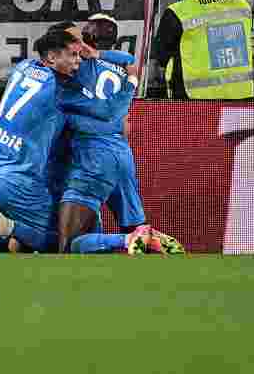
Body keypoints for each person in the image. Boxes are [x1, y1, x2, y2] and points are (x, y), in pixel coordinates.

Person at [0, 25, 166, 255]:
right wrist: (132, 82)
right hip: (21, 180)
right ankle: (7, 228)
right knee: (58, 240)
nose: (79, 60)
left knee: (6, 214)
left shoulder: (24, 67)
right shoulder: (62, 91)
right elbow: (110, 111)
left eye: (80, 53)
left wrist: (94, 55)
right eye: (73, 54)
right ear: (52, 56)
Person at [55, 16, 186, 255]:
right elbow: (126, 119)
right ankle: (151, 247)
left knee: (69, 244)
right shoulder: (124, 66)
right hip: (121, 153)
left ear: (85, 38)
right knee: (135, 226)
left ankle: (123, 243)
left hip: (93, 155)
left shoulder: (79, 64)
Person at [149, 0, 254, 100]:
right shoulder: (243, 5)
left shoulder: (178, 12)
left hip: (193, 100)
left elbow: (161, 56)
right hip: (239, 97)